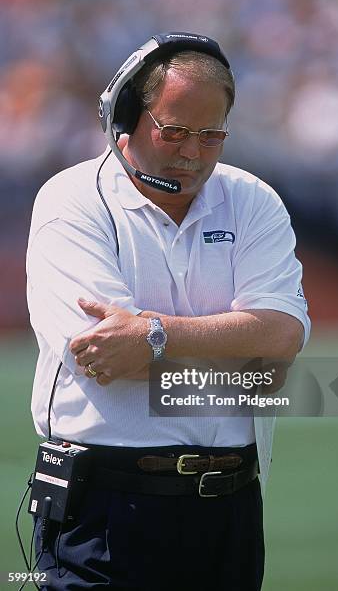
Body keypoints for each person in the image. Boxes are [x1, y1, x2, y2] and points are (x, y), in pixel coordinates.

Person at [26, 32, 310, 591]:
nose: (192, 152)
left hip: (230, 508)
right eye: (175, 131)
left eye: (212, 136)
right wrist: (245, 367)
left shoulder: (254, 199)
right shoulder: (71, 200)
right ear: (127, 117)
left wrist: (153, 334)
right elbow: (106, 359)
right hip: (104, 507)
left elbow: (282, 336)